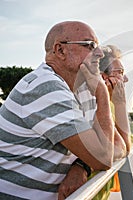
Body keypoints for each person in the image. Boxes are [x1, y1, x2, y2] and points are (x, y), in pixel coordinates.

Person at [0, 21, 126, 199]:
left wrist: (82, 165)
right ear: (60, 50)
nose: (99, 53)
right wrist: (103, 94)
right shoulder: (44, 87)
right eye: (89, 45)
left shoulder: (83, 90)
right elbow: (104, 158)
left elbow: (119, 147)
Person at [69, 45, 132, 200]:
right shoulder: (89, 102)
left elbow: (124, 146)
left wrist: (119, 104)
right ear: (103, 77)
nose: (125, 79)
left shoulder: (108, 104)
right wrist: (120, 104)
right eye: (120, 73)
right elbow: (115, 148)